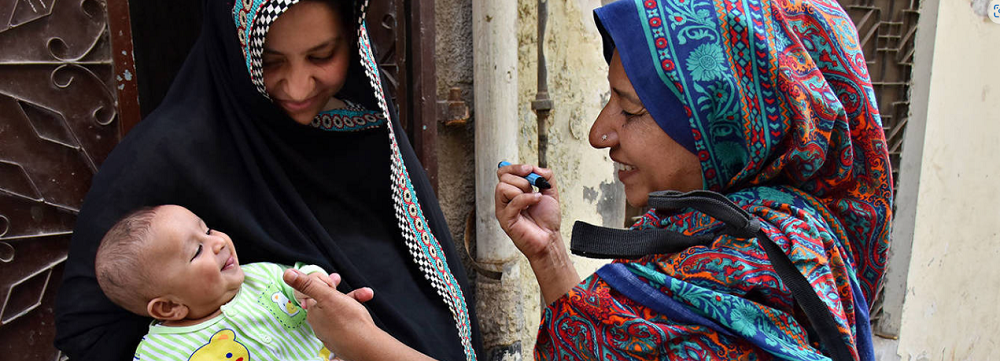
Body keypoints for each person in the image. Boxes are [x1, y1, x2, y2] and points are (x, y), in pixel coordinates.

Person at [54, 0, 481, 360]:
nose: (297, 87)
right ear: (238, 52)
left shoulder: (362, 126)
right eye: (270, 61)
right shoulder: (168, 155)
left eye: (322, 55)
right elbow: (88, 332)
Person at [494, 0, 893, 359]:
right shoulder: (741, 229)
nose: (598, 134)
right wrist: (549, 254)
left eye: (631, 110)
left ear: (725, 127)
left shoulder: (763, 265)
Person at [95, 205, 369, 360]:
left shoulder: (262, 276)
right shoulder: (161, 353)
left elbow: (302, 277)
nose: (217, 242)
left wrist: (315, 285)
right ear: (168, 307)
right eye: (196, 251)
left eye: (207, 230)